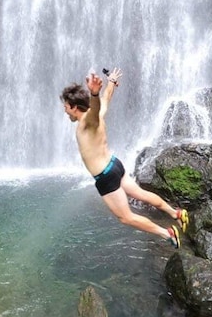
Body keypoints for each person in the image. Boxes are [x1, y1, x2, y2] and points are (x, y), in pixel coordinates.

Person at [60, 68, 189, 248]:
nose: (65, 111)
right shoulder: (96, 114)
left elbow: (96, 107)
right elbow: (106, 99)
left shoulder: (87, 122)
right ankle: (175, 213)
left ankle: (166, 233)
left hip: (106, 177)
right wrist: (111, 83)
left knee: (125, 217)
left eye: (66, 107)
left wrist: (94, 93)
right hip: (115, 164)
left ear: (74, 107)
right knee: (140, 194)